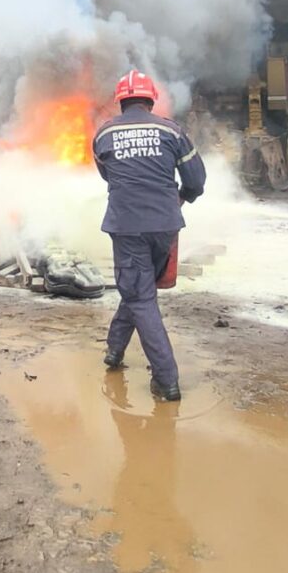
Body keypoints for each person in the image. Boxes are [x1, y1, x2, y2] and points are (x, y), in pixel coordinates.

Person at [93, 70, 206, 402]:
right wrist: (182, 197)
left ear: (121, 101)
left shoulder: (104, 134)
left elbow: (108, 175)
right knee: (139, 289)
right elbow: (196, 181)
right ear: (151, 100)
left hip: (127, 227)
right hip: (165, 226)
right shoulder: (171, 131)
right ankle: (114, 350)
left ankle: (166, 379)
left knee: (140, 296)